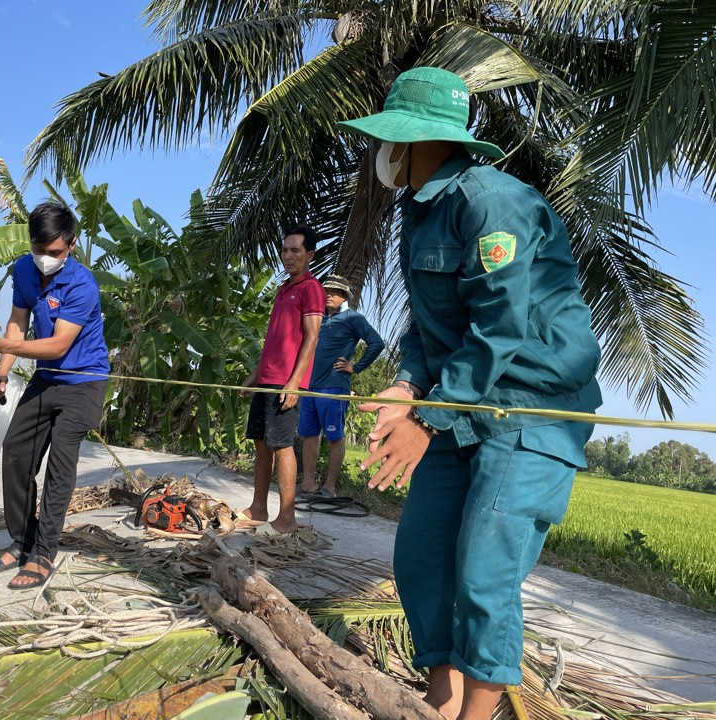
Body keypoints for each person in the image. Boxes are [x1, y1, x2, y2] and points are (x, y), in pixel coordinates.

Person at [337, 67, 601, 720]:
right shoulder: (414, 208)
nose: (381, 154)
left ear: (415, 142)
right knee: (421, 559)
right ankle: (440, 698)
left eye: (389, 141)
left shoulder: (493, 202)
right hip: (459, 405)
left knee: (484, 572)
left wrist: (424, 421)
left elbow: (498, 326)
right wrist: (404, 386)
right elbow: (431, 323)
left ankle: (476, 715)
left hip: (531, 413)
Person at [0, 201, 110, 590]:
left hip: (84, 381)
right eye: (39, 250)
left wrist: (0, 344)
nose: (45, 259)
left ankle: (44, 552)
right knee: (16, 452)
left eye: (55, 253)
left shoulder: (83, 284)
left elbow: (57, 345)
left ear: (72, 243)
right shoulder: (22, 269)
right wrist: (0, 372)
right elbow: (18, 324)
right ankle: (23, 540)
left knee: (60, 464)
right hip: (46, 379)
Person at [239, 226, 324, 534]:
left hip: (286, 381)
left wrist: (294, 382)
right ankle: (258, 508)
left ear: (309, 255)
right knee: (261, 443)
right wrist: (256, 374)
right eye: (285, 251)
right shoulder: (284, 288)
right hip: (268, 378)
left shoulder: (311, 288)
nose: (288, 257)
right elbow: (274, 339)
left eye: (295, 251)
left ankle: (287, 518)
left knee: (282, 445)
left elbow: (312, 338)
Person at [297, 274, 384, 497]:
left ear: (344, 296)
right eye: (326, 291)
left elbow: (377, 343)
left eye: (335, 292)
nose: (329, 295)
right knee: (309, 435)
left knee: (335, 437)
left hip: (334, 388)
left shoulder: (352, 318)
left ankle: (329, 487)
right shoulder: (318, 318)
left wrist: (356, 367)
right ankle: (307, 484)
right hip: (309, 387)